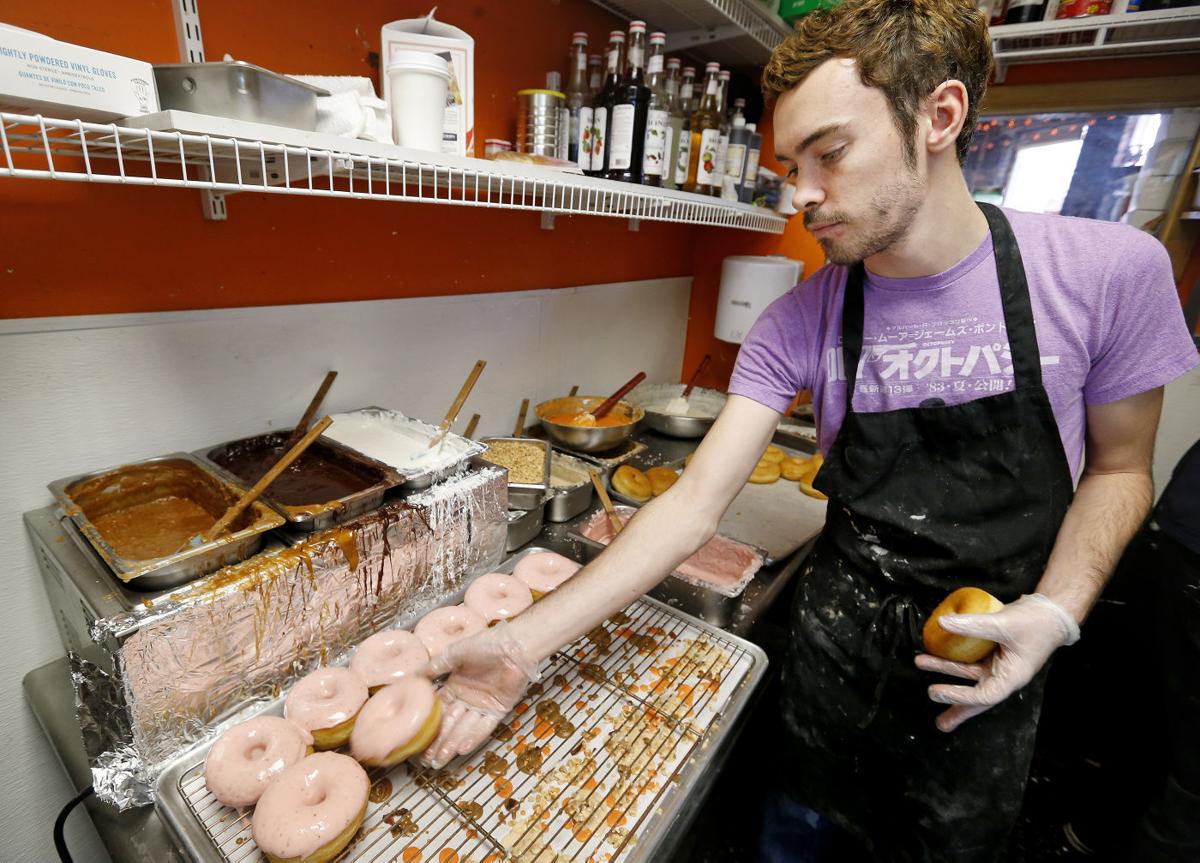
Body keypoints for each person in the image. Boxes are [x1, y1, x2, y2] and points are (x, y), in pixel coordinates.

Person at [420, 0, 1200, 858]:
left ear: (939, 117)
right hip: (833, 662)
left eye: (830, 153)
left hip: (989, 667)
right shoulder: (799, 320)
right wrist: (519, 646)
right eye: (791, 163)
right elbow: (688, 511)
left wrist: (1055, 610)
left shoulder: (1110, 273)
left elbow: (1122, 469)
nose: (802, 194)